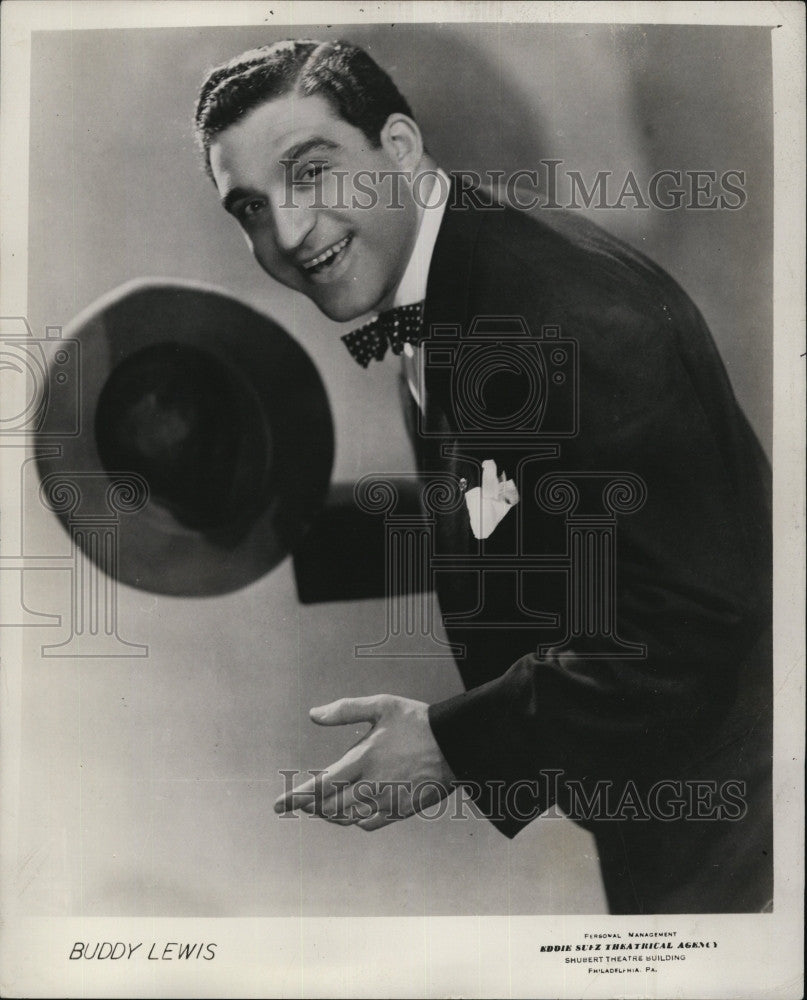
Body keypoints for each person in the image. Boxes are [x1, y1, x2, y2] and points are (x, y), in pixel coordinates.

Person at [194, 39, 772, 913]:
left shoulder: (565, 315)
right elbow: (539, 512)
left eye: (311, 173)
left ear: (396, 144)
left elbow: (685, 627)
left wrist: (448, 745)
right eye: (249, 207)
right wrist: (278, 523)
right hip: (680, 803)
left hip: (750, 819)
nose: (286, 232)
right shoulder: (448, 272)